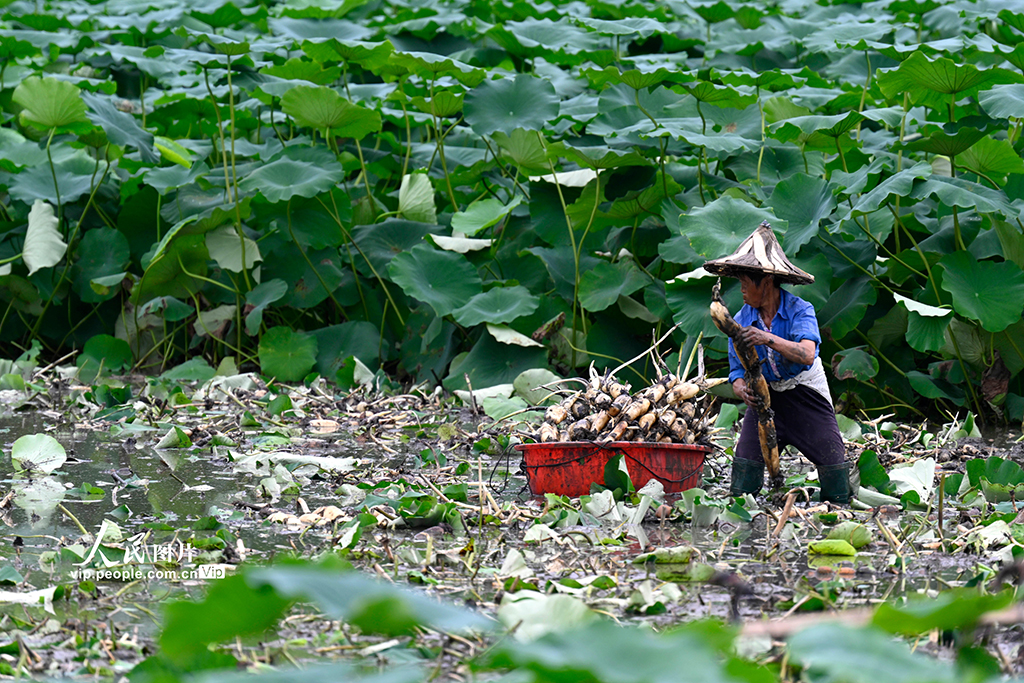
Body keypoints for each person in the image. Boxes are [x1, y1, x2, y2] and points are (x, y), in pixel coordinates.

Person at [703, 222, 850, 504]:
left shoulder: (800, 310)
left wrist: (766, 339)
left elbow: (807, 354)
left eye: (746, 284)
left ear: (767, 282)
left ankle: (838, 511)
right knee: (743, 479)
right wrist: (739, 388)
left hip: (805, 393)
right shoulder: (743, 318)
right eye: (741, 283)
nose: (742, 290)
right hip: (763, 396)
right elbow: (736, 368)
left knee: (835, 469)